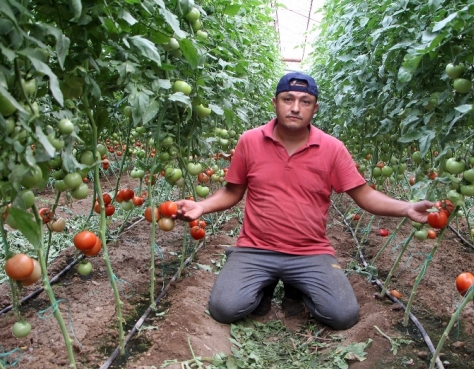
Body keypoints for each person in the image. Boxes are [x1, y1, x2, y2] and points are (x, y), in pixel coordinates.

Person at [176, 72, 435, 330]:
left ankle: (295, 288)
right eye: (288, 99)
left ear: (315, 108)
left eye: (305, 101)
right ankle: (264, 286)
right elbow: (232, 192)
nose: (296, 107)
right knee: (224, 309)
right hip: (255, 248)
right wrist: (202, 206)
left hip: (310, 251)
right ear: (275, 102)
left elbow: (365, 196)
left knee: (343, 315)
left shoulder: (332, 148)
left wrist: (408, 208)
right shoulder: (250, 141)